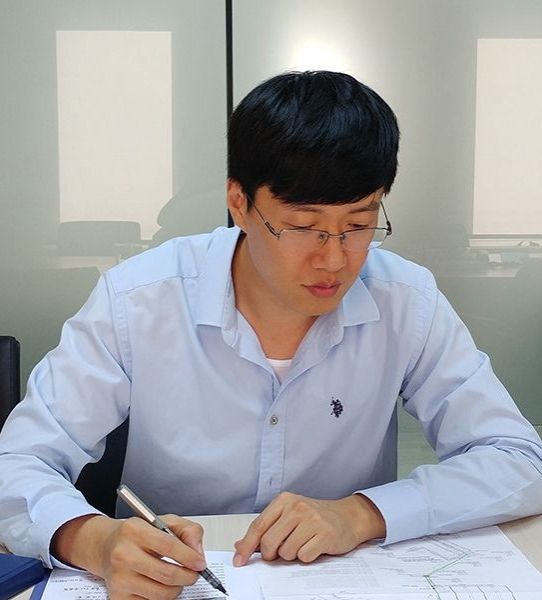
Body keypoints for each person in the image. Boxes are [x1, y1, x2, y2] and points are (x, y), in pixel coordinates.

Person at [1, 71, 541, 600]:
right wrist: (92, 539)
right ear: (239, 203)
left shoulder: (405, 300)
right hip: (172, 584)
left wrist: (363, 513)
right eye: (304, 226)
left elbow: (519, 458)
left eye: (358, 224)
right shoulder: (139, 301)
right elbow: (18, 462)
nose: (334, 259)